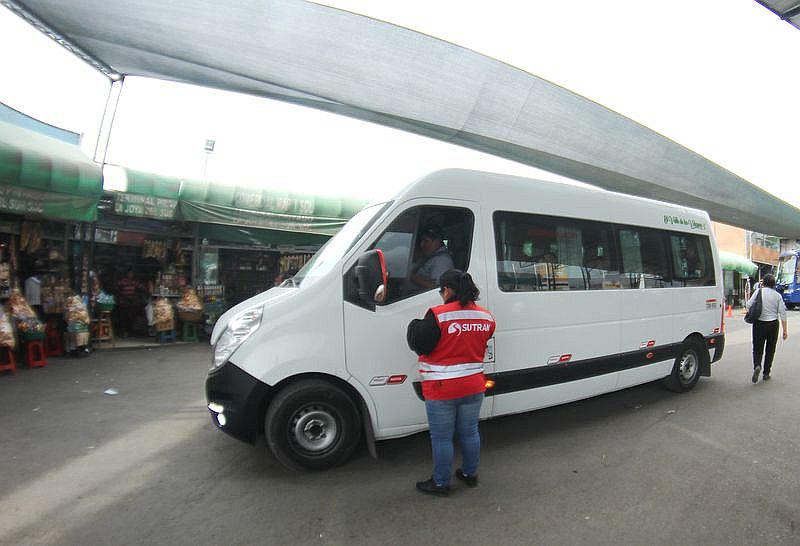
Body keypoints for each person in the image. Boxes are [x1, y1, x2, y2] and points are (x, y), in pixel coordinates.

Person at [406, 269, 495, 496]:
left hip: (442, 388)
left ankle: (441, 483)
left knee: (442, 438)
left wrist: (414, 325)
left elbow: (420, 343)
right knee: (470, 432)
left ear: (447, 290)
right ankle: (469, 474)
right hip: (474, 386)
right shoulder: (486, 317)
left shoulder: (438, 315)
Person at [745, 274, 788, 382]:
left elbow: (748, 305)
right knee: (770, 349)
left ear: (763, 282)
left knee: (757, 348)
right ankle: (766, 373)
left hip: (759, 324)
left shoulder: (758, 292)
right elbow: (783, 313)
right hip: (773, 325)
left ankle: (757, 366)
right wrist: (785, 330)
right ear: (774, 284)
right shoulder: (777, 296)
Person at [409, 224, 454, 290]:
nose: (421, 244)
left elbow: (438, 287)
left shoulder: (442, 260)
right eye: (421, 241)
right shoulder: (431, 256)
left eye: (426, 241)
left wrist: (411, 276)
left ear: (437, 242)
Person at [117, 269, 142, 337]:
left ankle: (130, 331)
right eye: (129, 273)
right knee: (124, 316)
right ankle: (124, 331)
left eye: (132, 274)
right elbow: (117, 287)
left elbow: (141, 287)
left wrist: (136, 294)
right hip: (124, 301)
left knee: (131, 316)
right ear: (127, 274)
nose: (130, 275)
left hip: (132, 301)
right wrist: (121, 293)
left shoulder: (135, 281)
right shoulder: (123, 281)